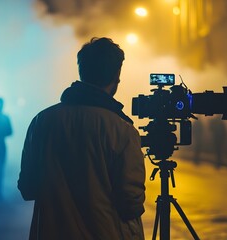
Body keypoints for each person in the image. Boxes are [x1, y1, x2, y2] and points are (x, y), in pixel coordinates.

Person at [18, 37, 146, 240]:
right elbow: (131, 203)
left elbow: (27, 188)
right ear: (117, 76)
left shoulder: (41, 121)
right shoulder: (122, 130)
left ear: (82, 70)